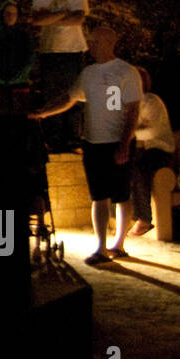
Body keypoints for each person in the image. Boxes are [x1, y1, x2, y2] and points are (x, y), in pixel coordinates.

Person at [30, 27, 142, 265]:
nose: (91, 45)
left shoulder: (126, 71)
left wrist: (124, 143)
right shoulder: (89, 73)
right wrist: (43, 113)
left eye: (95, 41)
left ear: (109, 42)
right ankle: (101, 247)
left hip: (117, 141)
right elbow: (69, 98)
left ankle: (119, 244)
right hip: (92, 142)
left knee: (121, 194)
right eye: (91, 41)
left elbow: (133, 110)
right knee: (98, 195)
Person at [30, 0, 89, 153]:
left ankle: (73, 138)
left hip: (73, 49)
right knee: (51, 93)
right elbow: (38, 20)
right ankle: (53, 139)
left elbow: (78, 18)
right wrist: (65, 13)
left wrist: (51, 17)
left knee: (74, 93)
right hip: (50, 49)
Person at [129, 67, 174, 237]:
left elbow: (152, 131)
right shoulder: (132, 103)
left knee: (139, 168)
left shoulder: (151, 101)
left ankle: (144, 219)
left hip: (160, 150)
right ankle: (122, 217)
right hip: (144, 150)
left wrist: (131, 133)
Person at [0, 1, 35, 113]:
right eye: (8, 13)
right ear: (2, 14)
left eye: (14, 14)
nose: (10, 16)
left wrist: (21, 74)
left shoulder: (24, 36)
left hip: (20, 82)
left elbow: (29, 58)